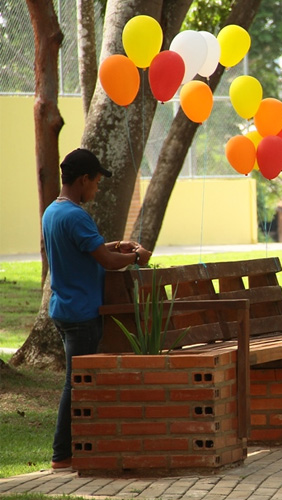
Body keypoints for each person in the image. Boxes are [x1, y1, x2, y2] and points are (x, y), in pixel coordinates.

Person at [43, 148, 152, 471]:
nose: (97, 189)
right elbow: (105, 262)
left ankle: (73, 450)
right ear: (83, 179)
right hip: (82, 312)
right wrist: (135, 257)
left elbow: (89, 251)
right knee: (77, 383)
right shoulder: (76, 215)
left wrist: (114, 245)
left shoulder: (53, 212)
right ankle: (62, 454)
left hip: (63, 307)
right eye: (96, 183)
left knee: (76, 381)